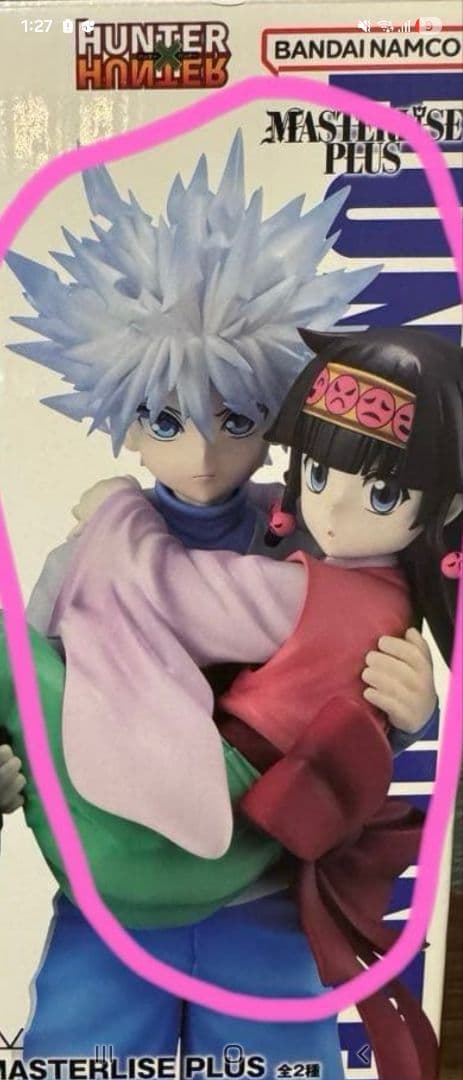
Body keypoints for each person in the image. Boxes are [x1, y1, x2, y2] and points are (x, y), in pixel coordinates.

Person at [2, 136, 438, 1071]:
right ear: (120, 419)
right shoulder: (84, 557)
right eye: (163, 419)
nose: (200, 452)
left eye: (236, 418)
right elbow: (31, 695)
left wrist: (410, 714)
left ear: (281, 415)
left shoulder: (310, 544)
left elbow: (352, 703)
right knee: (85, 1053)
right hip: (114, 904)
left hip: (264, 896)